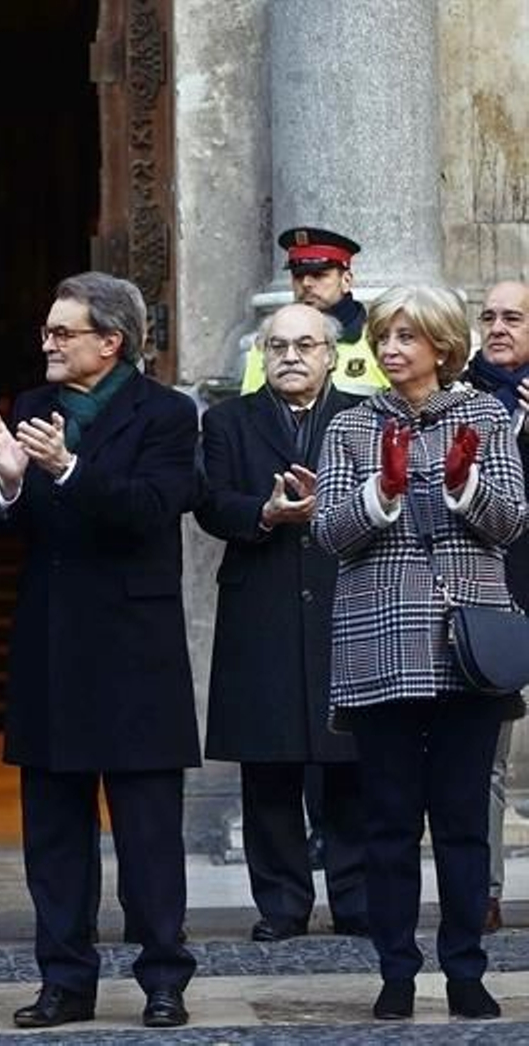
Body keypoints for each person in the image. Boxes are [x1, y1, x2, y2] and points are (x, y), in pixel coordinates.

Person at [0, 272, 199, 1030]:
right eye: (46, 331)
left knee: (147, 833)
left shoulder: (168, 415)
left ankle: (164, 976)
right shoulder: (33, 408)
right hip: (53, 644)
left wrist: (69, 469)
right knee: (54, 833)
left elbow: (149, 511)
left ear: (111, 342)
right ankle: (64, 981)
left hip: (136, 650)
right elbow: (13, 526)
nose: (46, 342)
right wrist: (9, 485)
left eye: (61, 332)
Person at [315, 286, 528, 1021]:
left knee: (465, 819)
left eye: (406, 336)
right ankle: (397, 972)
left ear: (441, 346)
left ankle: (466, 970)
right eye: (384, 336)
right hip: (381, 645)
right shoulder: (350, 426)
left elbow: (509, 524)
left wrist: (466, 485)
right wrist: (382, 490)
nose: (391, 348)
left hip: (469, 646)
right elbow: (330, 534)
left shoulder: (486, 417)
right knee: (390, 820)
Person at [196, 303, 367, 942]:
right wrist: (265, 514)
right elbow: (210, 502)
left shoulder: (363, 415)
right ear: (260, 356)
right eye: (277, 346)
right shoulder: (226, 421)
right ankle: (281, 906)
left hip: (343, 599)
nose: (290, 357)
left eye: (304, 345)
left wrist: (334, 511)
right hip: (260, 603)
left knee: (351, 760)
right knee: (268, 768)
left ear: (330, 354)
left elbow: (387, 495)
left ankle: (357, 900)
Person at [462, 280, 529, 935]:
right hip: (492, 596)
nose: (499, 327)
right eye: (490, 317)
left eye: (514, 317)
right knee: (487, 758)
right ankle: (483, 890)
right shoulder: (461, 398)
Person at [240, 227, 388, 397]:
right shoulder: (269, 343)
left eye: (318, 274)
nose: (306, 283)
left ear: (346, 280)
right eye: (298, 275)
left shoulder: (379, 341)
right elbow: (250, 414)